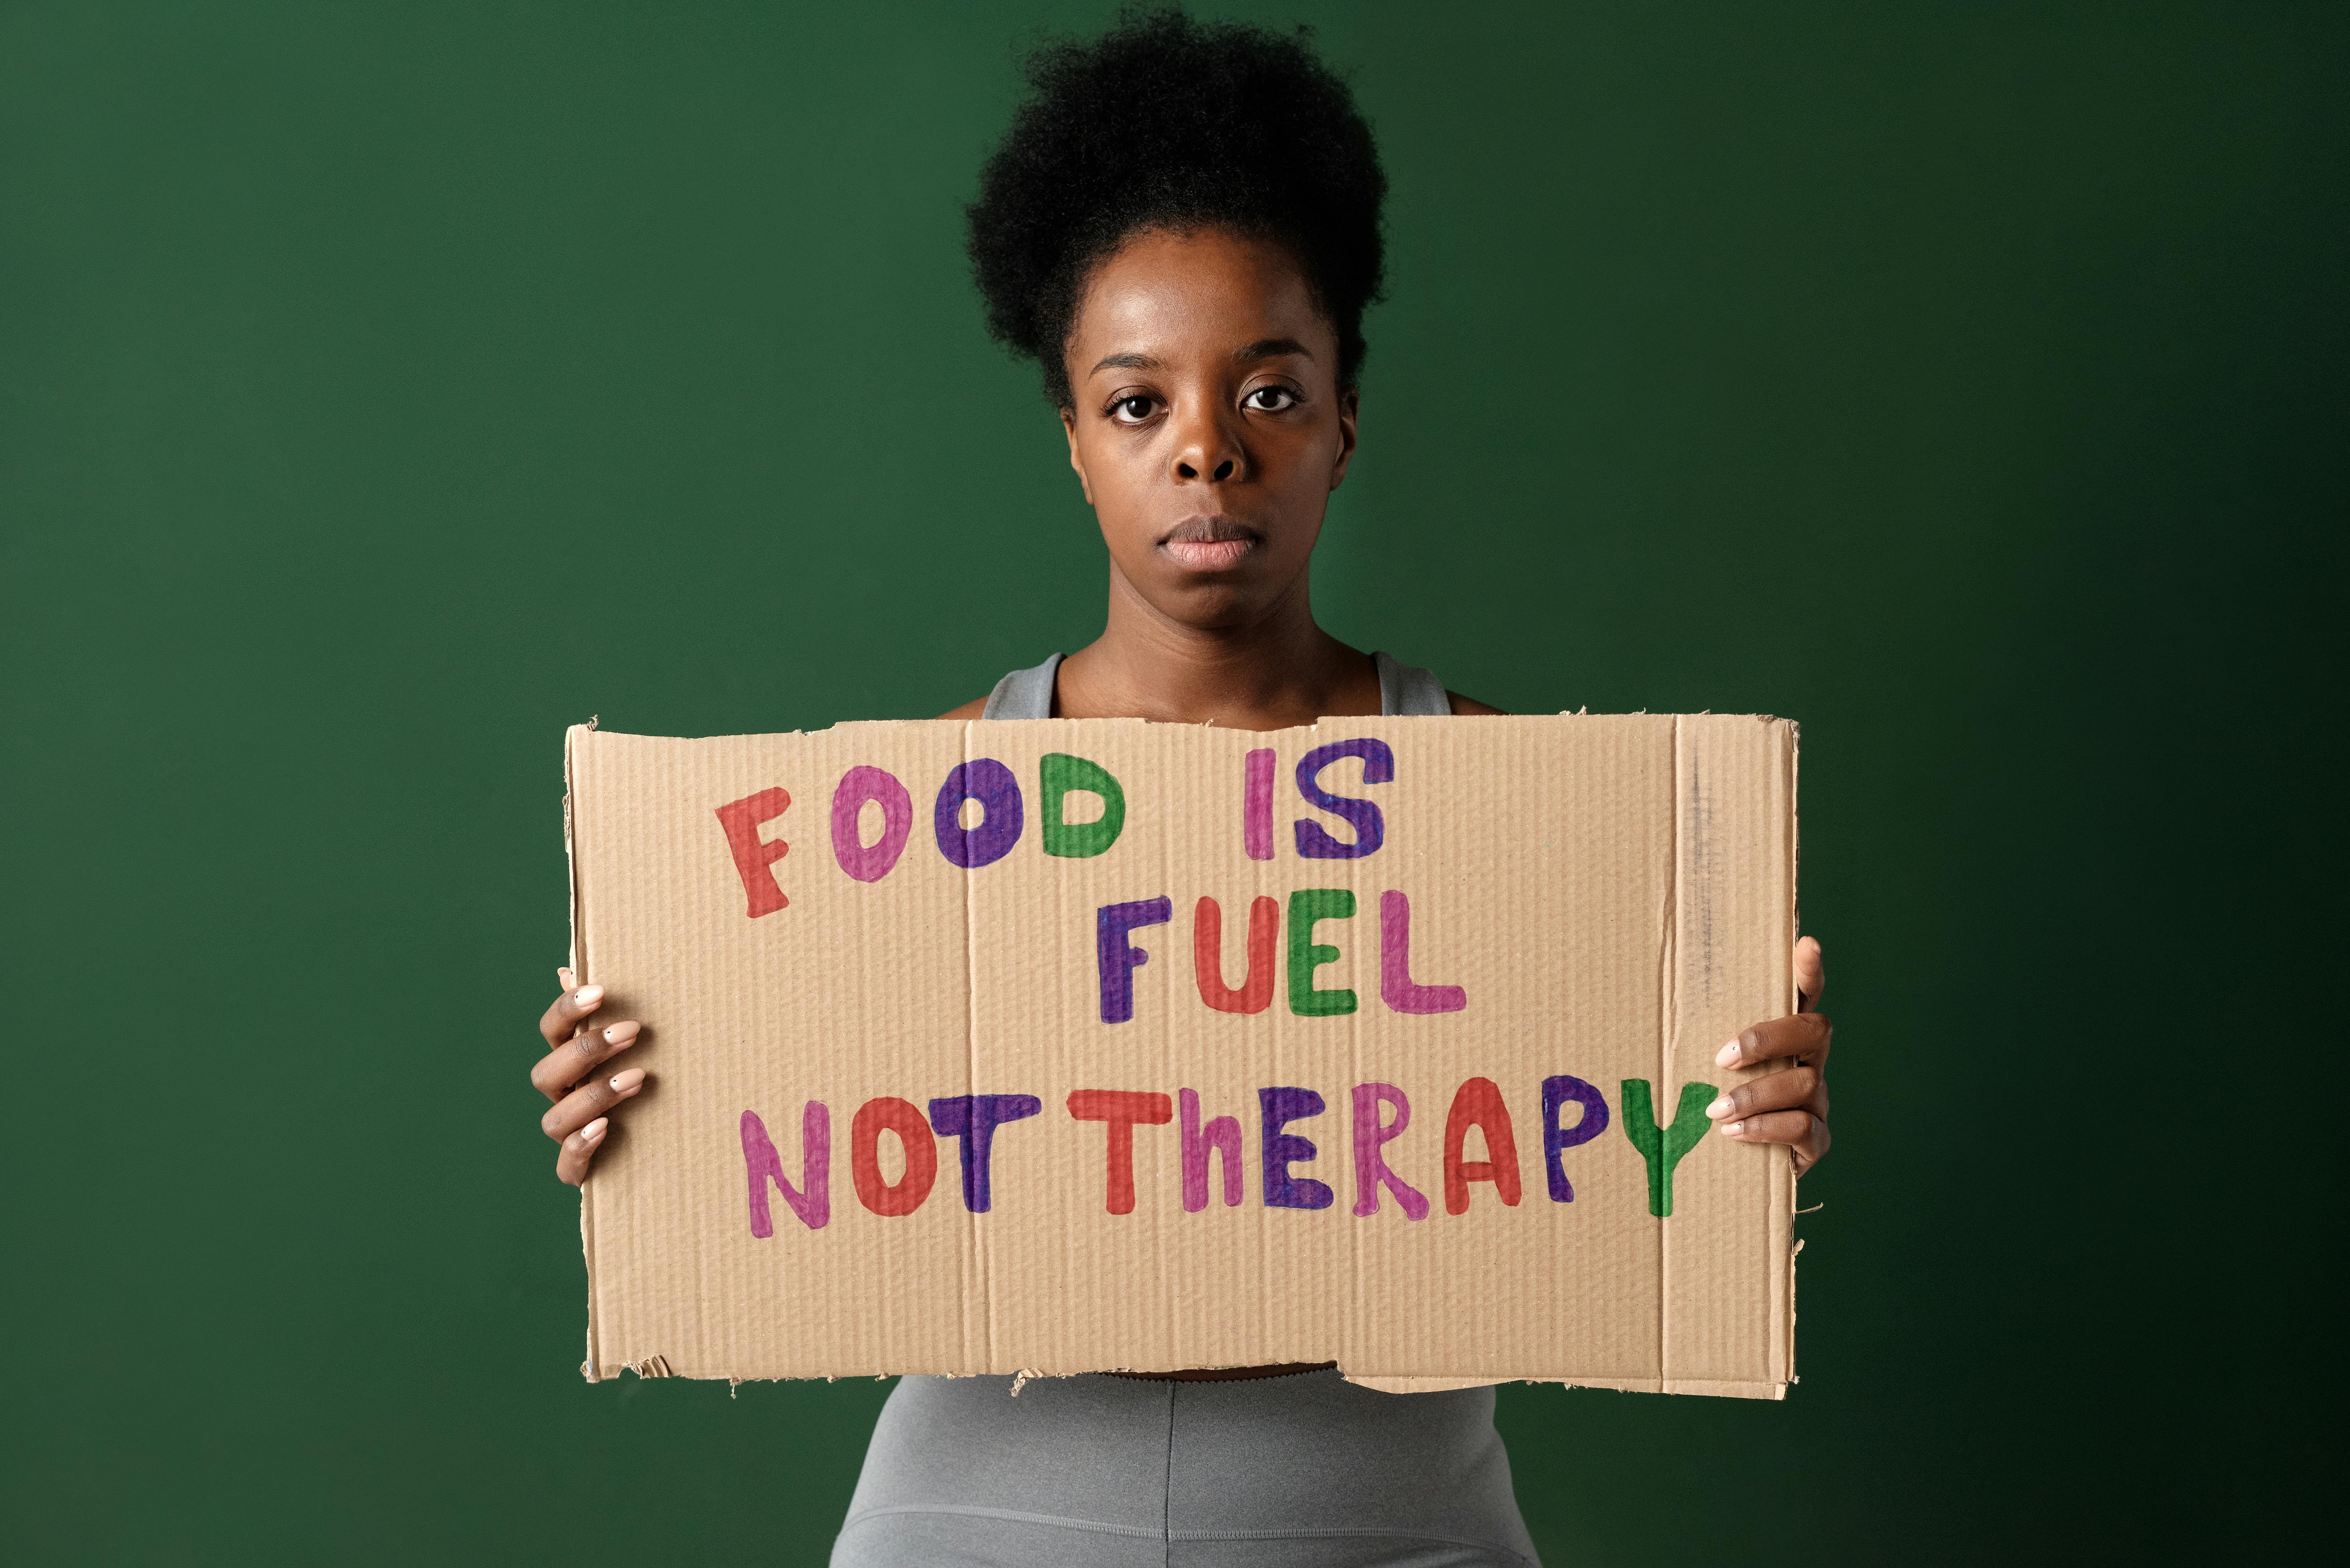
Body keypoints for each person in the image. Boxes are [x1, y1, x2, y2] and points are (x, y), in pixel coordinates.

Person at [528, 12, 1833, 1564]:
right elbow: (755, 1115)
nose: (1205, 452)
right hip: (979, 1518)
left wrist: (1739, 1102)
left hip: (1391, 1522)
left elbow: (1641, 1126)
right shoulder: (903, 817)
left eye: (1268, 394)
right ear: (1073, 440)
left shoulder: (1521, 806)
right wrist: (639, 1095)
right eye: (1139, 404)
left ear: (1346, 418)